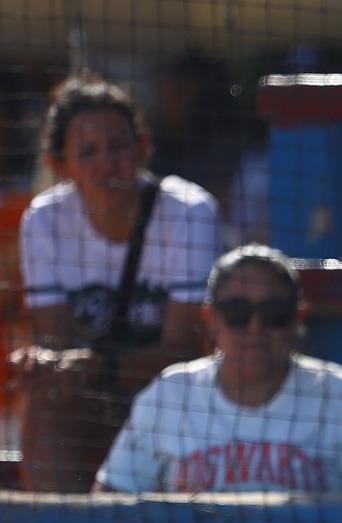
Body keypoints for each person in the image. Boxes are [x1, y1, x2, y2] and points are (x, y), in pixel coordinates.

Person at [13, 71, 219, 491]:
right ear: (59, 165)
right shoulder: (43, 220)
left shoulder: (188, 212)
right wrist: (45, 364)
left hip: (177, 398)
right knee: (45, 395)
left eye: (119, 146)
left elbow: (187, 353)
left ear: (143, 147)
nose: (107, 162)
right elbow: (57, 343)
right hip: (91, 401)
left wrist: (94, 364)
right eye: (88, 151)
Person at [95, 245, 342, 494]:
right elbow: (110, 505)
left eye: (274, 313)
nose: (255, 327)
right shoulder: (169, 395)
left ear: (298, 318)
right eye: (237, 312)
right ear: (211, 319)